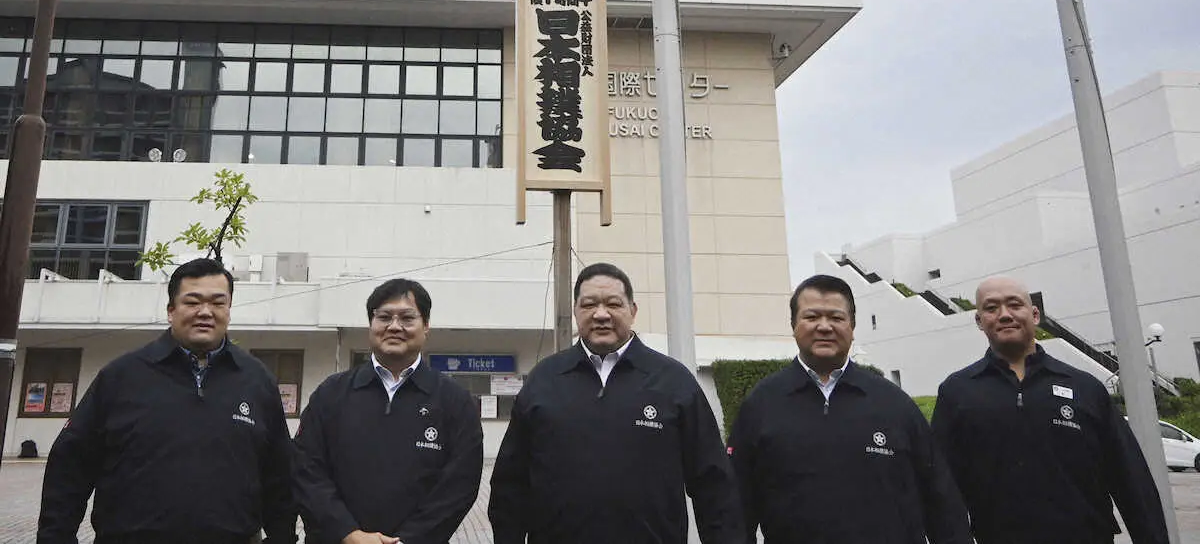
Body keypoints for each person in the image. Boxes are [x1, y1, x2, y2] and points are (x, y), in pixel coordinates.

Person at [37, 258, 296, 544]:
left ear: (229, 310)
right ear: (171, 310)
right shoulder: (122, 377)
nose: (205, 312)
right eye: (192, 302)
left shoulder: (257, 381)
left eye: (217, 303)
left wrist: (282, 537)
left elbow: (279, 476)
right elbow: (70, 466)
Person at [489, 262, 742, 544]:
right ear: (576, 311)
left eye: (613, 304)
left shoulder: (672, 381)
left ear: (632, 311)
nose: (601, 314)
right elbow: (510, 483)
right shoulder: (544, 380)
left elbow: (713, 483)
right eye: (589, 305)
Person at [728, 274, 971, 543]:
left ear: (852, 326)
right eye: (811, 317)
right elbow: (736, 508)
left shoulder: (894, 404)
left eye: (836, 317)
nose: (824, 327)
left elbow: (941, 501)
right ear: (793, 325)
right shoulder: (762, 405)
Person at [932, 275, 1170, 544]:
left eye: (1014, 305)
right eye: (991, 308)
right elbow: (941, 488)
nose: (1005, 314)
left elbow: (1131, 480)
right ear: (979, 321)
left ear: (1035, 314)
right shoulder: (957, 392)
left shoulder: (1085, 388)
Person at [294, 278, 483, 544]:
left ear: (426, 326)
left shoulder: (454, 400)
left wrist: (410, 540)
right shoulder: (331, 394)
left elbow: (459, 485)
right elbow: (306, 469)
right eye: (384, 317)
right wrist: (348, 534)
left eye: (407, 318)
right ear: (371, 325)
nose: (394, 326)